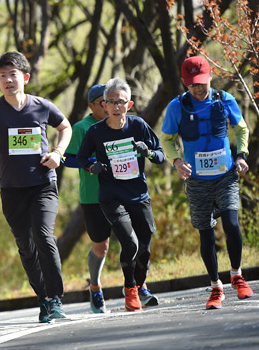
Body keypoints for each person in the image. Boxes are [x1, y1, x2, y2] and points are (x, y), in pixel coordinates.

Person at [0, 51, 72, 323]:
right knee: (26, 246)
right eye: (2, 76)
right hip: (12, 190)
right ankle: (43, 299)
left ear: (25, 77)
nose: (8, 80)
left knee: (44, 236)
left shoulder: (41, 106)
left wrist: (58, 153)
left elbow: (65, 127)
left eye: (13, 74)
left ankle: (56, 299)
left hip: (43, 184)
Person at [161, 56, 253, 309]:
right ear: (184, 83)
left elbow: (241, 128)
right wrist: (177, 162)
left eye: (202, 83)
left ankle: (237, 274)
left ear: (210, 76)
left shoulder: (224, 100)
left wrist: (242, 154)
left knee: (232, 224)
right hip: (197, 180)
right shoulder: (176, 107)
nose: (199, 89)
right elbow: (166, 139)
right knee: (206, 233)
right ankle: (215, 286)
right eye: (193, 85)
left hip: (225, 175)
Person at [76, 77, 165, 312]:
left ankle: (139, 283)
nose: (116, 107)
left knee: (145, 248)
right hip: (111, 196)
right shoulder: (96, 132)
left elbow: (160, 155)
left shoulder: (138, 126)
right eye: (111, 102)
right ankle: (131, 290)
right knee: (130, 242)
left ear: (130, 104)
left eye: (120, 102)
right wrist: (91, 166)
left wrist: (149, 153)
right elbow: (82, 157)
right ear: (104, 105)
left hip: (138, 195)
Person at [64, 83, 113, 313]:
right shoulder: (82, 127)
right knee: (101, 247)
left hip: (123, 191)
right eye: (102, 102)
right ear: (91, 105)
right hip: (93, 195)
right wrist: (90, 162)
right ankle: (95, 286)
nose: (107, 106)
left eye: (110, 101)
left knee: (136, 239)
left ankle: (137, 288)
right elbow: (68, 158)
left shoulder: (119, 122)